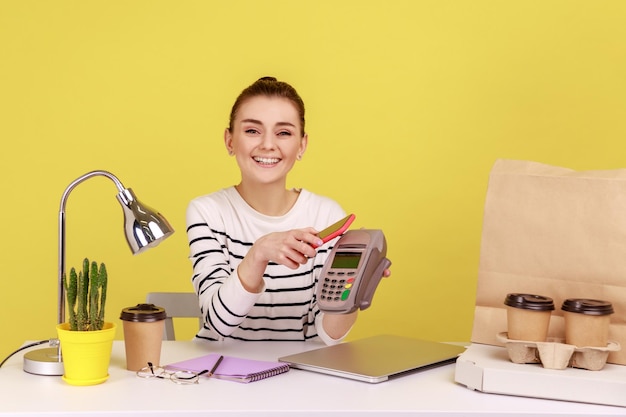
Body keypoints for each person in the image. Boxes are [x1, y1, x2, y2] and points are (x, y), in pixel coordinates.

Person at [186, 77, 389, 345]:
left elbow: (328, 335)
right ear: (229, 141)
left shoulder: (326, 214)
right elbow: (217, 323)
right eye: (252, 131)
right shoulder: (208, 212)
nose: (268, 145)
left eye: (283, 133)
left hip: (300, 373)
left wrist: (356, 289)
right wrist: (259, 253)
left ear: (302, 145)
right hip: (220, 371)